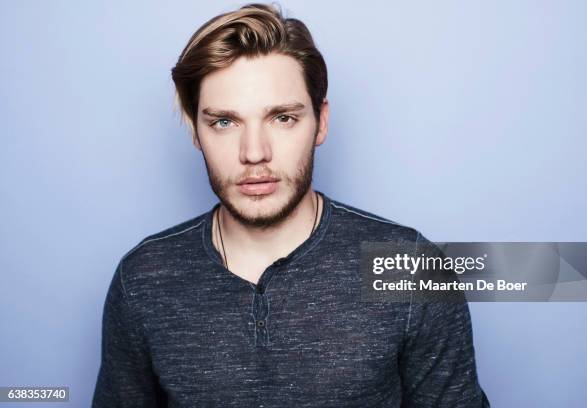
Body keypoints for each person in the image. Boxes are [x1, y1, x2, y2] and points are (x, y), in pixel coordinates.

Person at [92, 3, 489, 407]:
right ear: (196, 131)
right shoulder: (143, 280)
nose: (254, 153)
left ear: (321, 121)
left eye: (282, 118)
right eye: (224, 122)